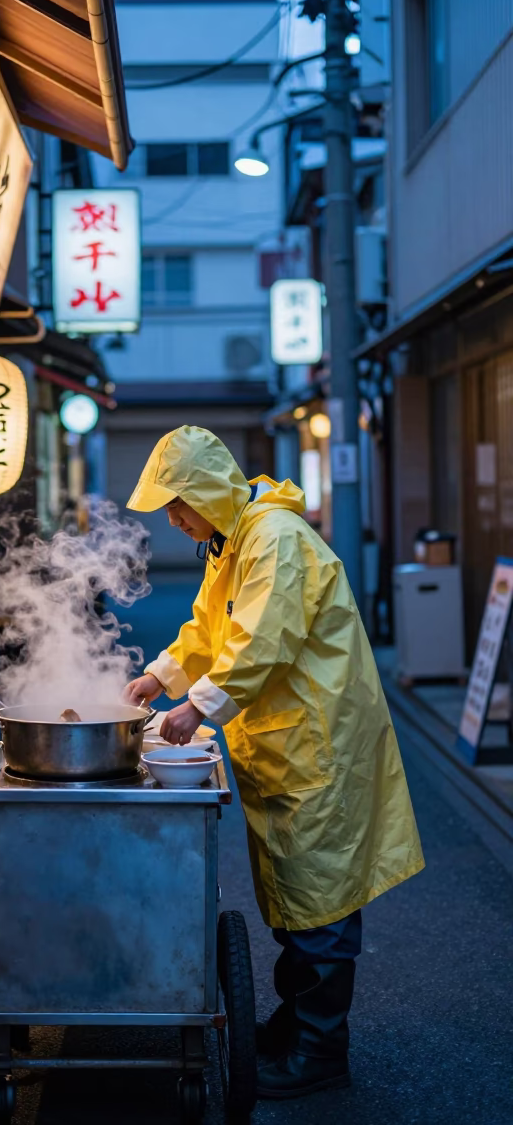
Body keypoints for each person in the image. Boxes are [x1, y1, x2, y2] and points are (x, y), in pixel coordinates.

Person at [124, 425, 424, 1101]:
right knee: (297, 894)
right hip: (286, 741)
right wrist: (159, 675)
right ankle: (297, 1025)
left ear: (204, 492)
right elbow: (209, 629)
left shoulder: (276, 540)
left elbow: (262, 640)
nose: (173, 519)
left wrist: (195, 707)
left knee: (322, 897)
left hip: (319, 742)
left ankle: (321, 1052)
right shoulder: (231, 540)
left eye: (176, 504)